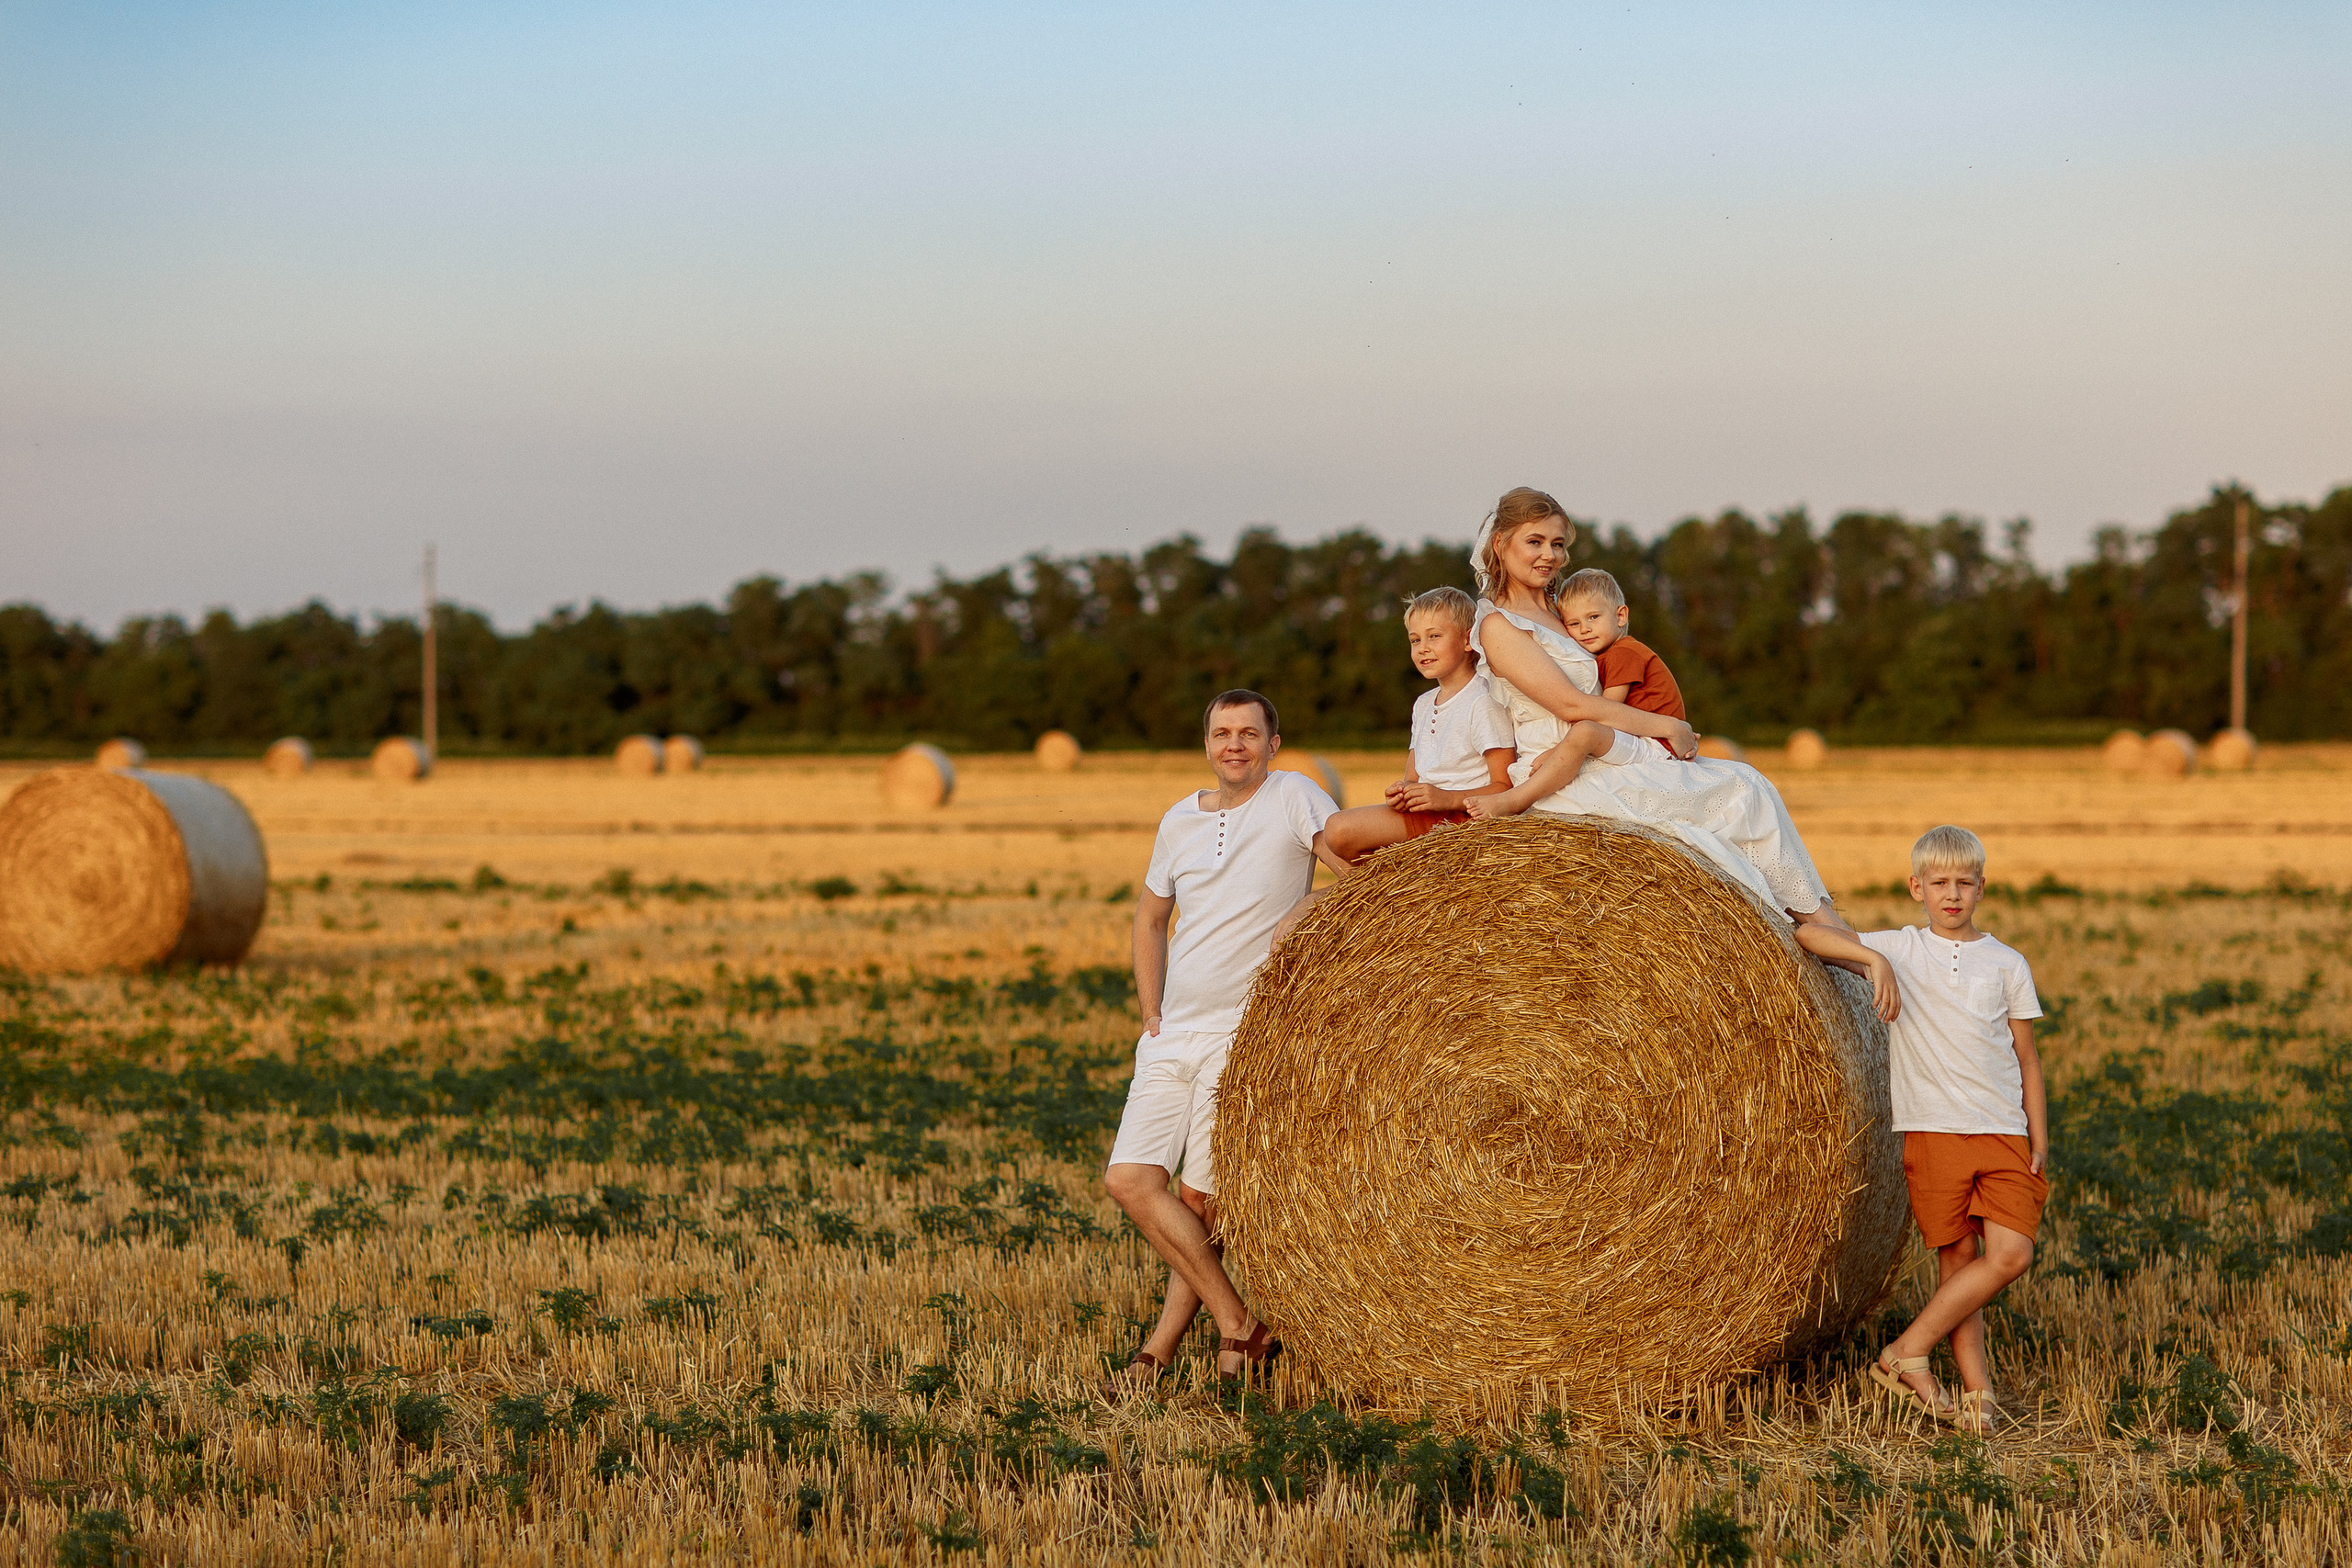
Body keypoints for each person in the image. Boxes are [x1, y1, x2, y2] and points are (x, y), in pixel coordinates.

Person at [1465, 486, 1848, 929]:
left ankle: (1823, 929)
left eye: (1558, 544)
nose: (1549, 555)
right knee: (1739, 796)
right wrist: (1667, 725)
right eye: (1535, 541)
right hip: (1560, 775)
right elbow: (1572, 705)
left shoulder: (1564, 609)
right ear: (1500, 543)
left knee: (1749, 783)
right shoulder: (1498, 624)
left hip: (1603, 753)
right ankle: (1820, 929)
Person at [1102, 688, 1337, 1392]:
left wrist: (1308, 904)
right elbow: (1149, 919)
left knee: (1201, 1204)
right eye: (1221, 733)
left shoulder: (1295, 794)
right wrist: (1151, 1009)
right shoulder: (1178, 819)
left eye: (1248, 732)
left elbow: (1361, 874)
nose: (1234, 744)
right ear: (1207, 743)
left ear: (1273, 741)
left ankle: (1158, 1353)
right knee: (1130, 1180)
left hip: (1243, 1032)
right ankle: (1240, 1324)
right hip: (1174, 1032)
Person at [1797, 826, 2046, 1434]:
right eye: (1940, 883)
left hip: (2003, 1128)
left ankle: (1906, 1349)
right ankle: (1977, 1390)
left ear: (1982, 888)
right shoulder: (1902, 948)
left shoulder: (2007, 962)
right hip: (1933, 1130)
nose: (1952, 893)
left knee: (2012, 1254)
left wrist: (2040, 1133)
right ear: (1918, 888)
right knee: (1958, 1262)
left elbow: (2027, 1055)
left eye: (1964, 882)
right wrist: (1873, 957)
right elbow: (1809, 933)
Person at [1466, 567, 1685, 818]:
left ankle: (1518, 799)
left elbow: (1605, 713)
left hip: (1657, 743)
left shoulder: (1624, 653)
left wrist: (1556, 751)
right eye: (1574, 623)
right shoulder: (1607, 655)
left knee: (1586, 731)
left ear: (1621, 616)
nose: (1585, 629)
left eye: (1593, 617)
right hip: (1641, 739)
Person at [1320, 587, 1516, 866]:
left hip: (1462, 818)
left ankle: (1396, 884)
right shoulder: (1423, 704)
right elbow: (1413, 776)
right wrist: (1402, 794)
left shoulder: (1483, 700)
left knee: (1340, 831)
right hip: (1426, 815)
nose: (1423, 647)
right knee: (1335, 833)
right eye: (1415, 640)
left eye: (1434, 636)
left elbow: (1505, 787)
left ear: (1468, 639)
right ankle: (1397, 889)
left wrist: (1446, 799)